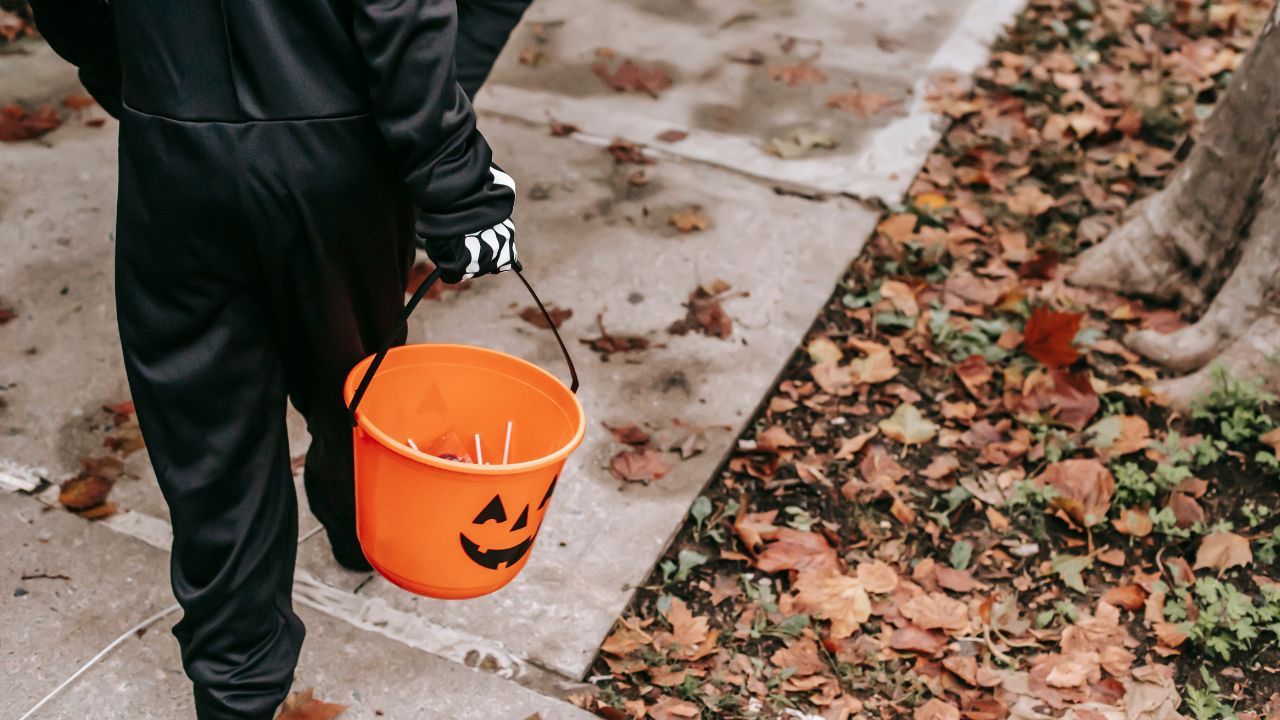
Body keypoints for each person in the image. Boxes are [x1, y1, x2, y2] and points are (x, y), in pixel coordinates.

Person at [26, 0, 534, 716]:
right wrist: (454, 176)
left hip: (174, 149)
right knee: (353, 384)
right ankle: (362, 524)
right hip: (337, 155)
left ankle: (237, 695)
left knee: (212, 448)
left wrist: (145, 91)